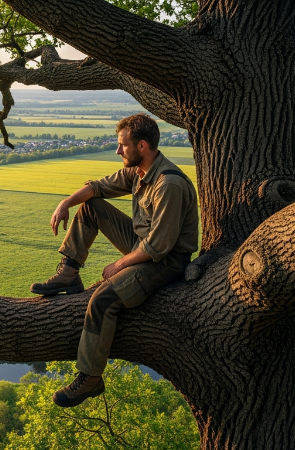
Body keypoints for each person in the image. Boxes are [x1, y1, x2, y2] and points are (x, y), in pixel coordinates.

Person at [30, 113, 199, 407]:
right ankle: (68, 274)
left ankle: (90, 378)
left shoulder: (167, 184)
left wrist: (120, 264)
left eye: (122, 145)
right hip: (142, 245)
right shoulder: (139, 171)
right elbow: (97, 187)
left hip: (165, 261)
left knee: (103, 299)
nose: (118, 151)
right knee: (91, 206)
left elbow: (158, 246)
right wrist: (66, 202)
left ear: (142, 146)